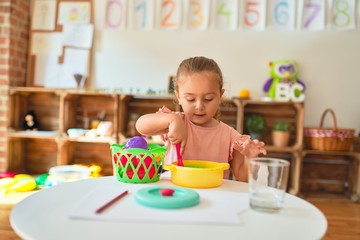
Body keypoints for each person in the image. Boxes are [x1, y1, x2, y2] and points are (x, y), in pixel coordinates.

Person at [135, 56, 266, 182]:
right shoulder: (175, 123)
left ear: (220, 95)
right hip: (175, 196)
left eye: (208, 99)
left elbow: (243, 178)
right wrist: (173, 120)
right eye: (190, 99)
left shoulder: (230, 137)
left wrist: (250, 158)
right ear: (178, 96)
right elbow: (141, 126)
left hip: (214, 199)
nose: (199, 106)